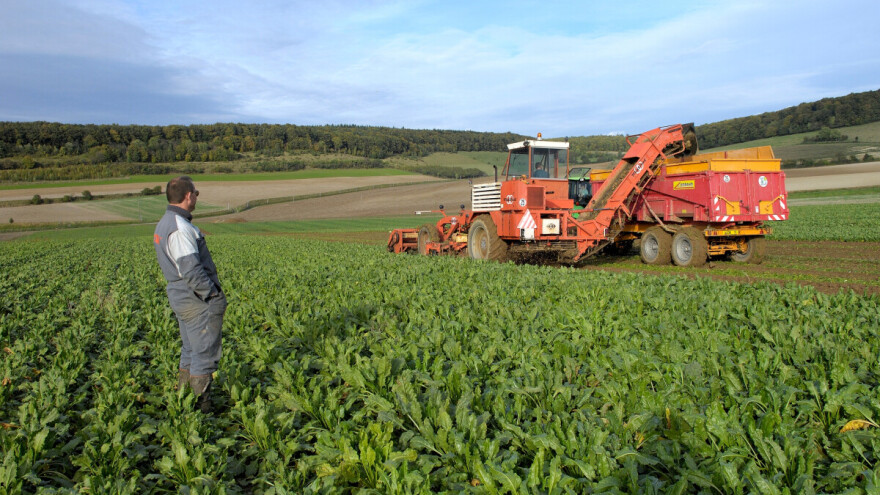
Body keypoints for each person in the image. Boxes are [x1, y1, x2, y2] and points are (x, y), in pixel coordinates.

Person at [153, 176, 227, 413]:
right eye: (196, 192)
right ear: (188, 196)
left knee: (190, 349)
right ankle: (200, 410)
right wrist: (213, 295)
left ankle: (183, 398)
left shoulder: (164, 223)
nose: (196, 196)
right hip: (194, 299)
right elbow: (192, 271)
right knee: (204, 354)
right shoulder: (180, 227)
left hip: (179, 295)